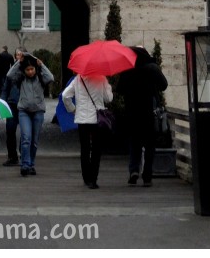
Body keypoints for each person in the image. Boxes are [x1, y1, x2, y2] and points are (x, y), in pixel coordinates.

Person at [119, 47, 168, 187]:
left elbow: (120, 89)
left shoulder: (128, 69)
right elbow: (164, 85)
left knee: (134, 143)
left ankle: (134, 171)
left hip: (133, 112)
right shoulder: (152, 68)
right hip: (149, 111)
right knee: (150, 145)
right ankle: (147, 175)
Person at [62, 70, 114, 189]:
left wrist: (72, 109)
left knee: (84, 149)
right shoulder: (101, 78)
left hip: (82, 118)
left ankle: (86, 177)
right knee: (96, 149)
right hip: (97, 119)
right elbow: (108, 99)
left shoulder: (78, 79)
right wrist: (108, 86)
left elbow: (65, 95)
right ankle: (93, 179)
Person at [6, 53, 54, 176]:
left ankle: (31, 164)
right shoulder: (21, 79)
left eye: (32, 69)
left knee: (34, 140)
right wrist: (18, 62)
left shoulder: (41, 78)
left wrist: (41, 65)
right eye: (28, 69)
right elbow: (9, 75)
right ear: (24, 70)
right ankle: (25, 164)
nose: (30, 72)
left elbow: (51, 78)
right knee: (26, 138)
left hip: (38, 111)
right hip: (24, 111)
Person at [0, 48, 25, 167]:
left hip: (25, 105)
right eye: (17, 55)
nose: (18, 57)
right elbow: (5, 88)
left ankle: (23, 153)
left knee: (25, 131)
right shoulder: (12, 71)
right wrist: (3, 103)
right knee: (10, 130)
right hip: (12, 104)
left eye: (21, 55)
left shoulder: (29, 70)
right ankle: (12, 156)